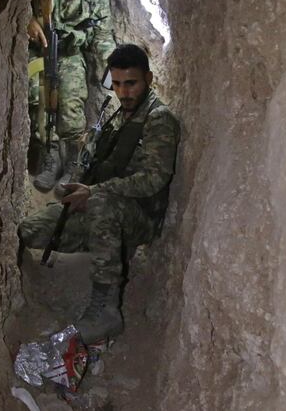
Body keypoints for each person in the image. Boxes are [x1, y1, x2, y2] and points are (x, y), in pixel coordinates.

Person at [18, 44, 180, 344]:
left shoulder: (158, 119)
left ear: (149, 79)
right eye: (117, 84)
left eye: (130, 83)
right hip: (100, 216)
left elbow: (153, 179)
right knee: (30, 231)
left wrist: (93, 192)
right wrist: (79, 185)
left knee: (103, 202)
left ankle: (105, 308)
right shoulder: (118, 116)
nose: (124, 92)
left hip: (135, 218)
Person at [27, 0, 117, 193]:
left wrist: (112, 60)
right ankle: (50, 157)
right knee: (39, 99)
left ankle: (73, 164)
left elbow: (101, 35)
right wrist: (27, 19)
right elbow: (15, 1)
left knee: (71, 102)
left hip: (70, 54)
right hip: (41, 51)